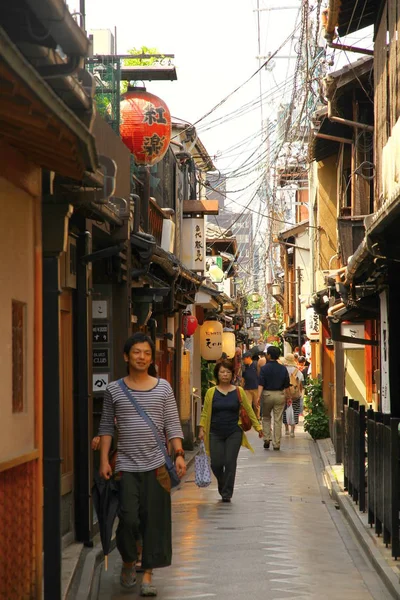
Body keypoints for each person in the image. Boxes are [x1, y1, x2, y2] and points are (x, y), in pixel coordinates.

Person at [98, 333, 186, 597]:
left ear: (151, 357)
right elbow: (106, 427)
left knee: (155, 522)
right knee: (128, 520)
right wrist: (104, 459)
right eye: (136, 352)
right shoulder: (114, 389)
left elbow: (172, 422)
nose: (142, 357)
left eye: (147, 353)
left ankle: (147, 574)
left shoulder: (163, 388)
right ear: (126, 356)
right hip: (126, 466)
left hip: (157, 466)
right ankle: (128, 560)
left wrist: (179, 453)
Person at [199, 359, 263, 502]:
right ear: (217, 374)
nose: (225, 374)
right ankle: (223, 484)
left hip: (234, 431)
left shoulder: (239, 391)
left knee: (229, 461)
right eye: (222, 372)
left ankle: (227, 493)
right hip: (215, 432)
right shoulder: (211, 392)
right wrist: (202, 428)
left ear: (232, 375)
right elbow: (205, 412)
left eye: (228, 372)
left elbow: (249, 410)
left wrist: (258, 427)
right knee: (216, 463)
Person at [257, 346, 290, 451]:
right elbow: (287, 385)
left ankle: (267, 438)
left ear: (269, 355)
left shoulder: (264, 368)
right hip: (280, 395)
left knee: (266, 417)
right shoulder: (283, 368)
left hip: (267, 394)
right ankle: (276, 443)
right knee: (277, 419)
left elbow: (261, 384)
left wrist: (258, 396)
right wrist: (288, 397)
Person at [282, 353, 304, 437]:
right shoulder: (298, 371)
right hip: (295, 395)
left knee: (284, 411)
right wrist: (300, 392)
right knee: (295, 410)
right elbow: (301, 384)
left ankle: (286, 429)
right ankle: (292, 431)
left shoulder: (283, 370)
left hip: (284, 394)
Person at [241, 351, 260, 419]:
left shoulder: (256, 364)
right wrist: (242, 387)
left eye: (244, 359)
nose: (243, 361)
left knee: (256, 405)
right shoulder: (244, 367)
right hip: (247, 388)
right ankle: (249, 419)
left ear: (249, 358)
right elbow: (243, 378)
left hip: (255, 387)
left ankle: (257, 418)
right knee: (248, 404)